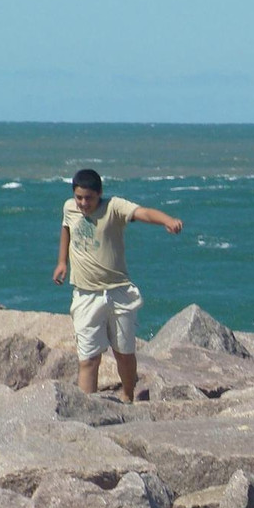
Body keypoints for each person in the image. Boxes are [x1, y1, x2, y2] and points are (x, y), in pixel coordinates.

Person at [52, 169, 183, 402]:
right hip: (85, 295)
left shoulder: (114, 207)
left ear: (99, 194)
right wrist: (62, 262)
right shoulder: (69, 207)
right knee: (88, 358)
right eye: (79, 197)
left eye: (89, 198)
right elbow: (66, 230)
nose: (83, 203)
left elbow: (143, 212)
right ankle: (88, 407)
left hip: (119, 292)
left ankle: (127, 396)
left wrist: (167, 220)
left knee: (124, 354)